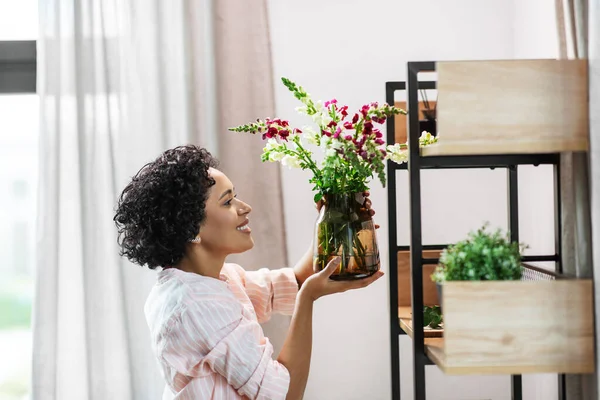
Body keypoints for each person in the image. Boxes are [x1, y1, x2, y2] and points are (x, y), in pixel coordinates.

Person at [113, 145, 384, 400]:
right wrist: (308, 299)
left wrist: (332, 220)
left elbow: (289, 284)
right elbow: (285, 394)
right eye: (228, 201)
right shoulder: (196, 305)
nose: (245, 207)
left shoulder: (212, 279)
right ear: (191, 230)